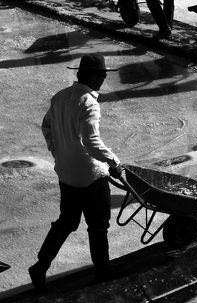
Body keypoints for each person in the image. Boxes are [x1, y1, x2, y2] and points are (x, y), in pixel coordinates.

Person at [29, 54, 124, 293]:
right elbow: (91, 142)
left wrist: (57, 151)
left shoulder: (60, 97)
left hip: (66, 173)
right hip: (90, 175)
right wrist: (114, 162)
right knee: (98, 225)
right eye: (102, 75)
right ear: (93, 76)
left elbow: (46, 126)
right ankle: (103, 270)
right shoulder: (89, 102)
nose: (103, 79)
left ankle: (41, 265)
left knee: (67, 221)